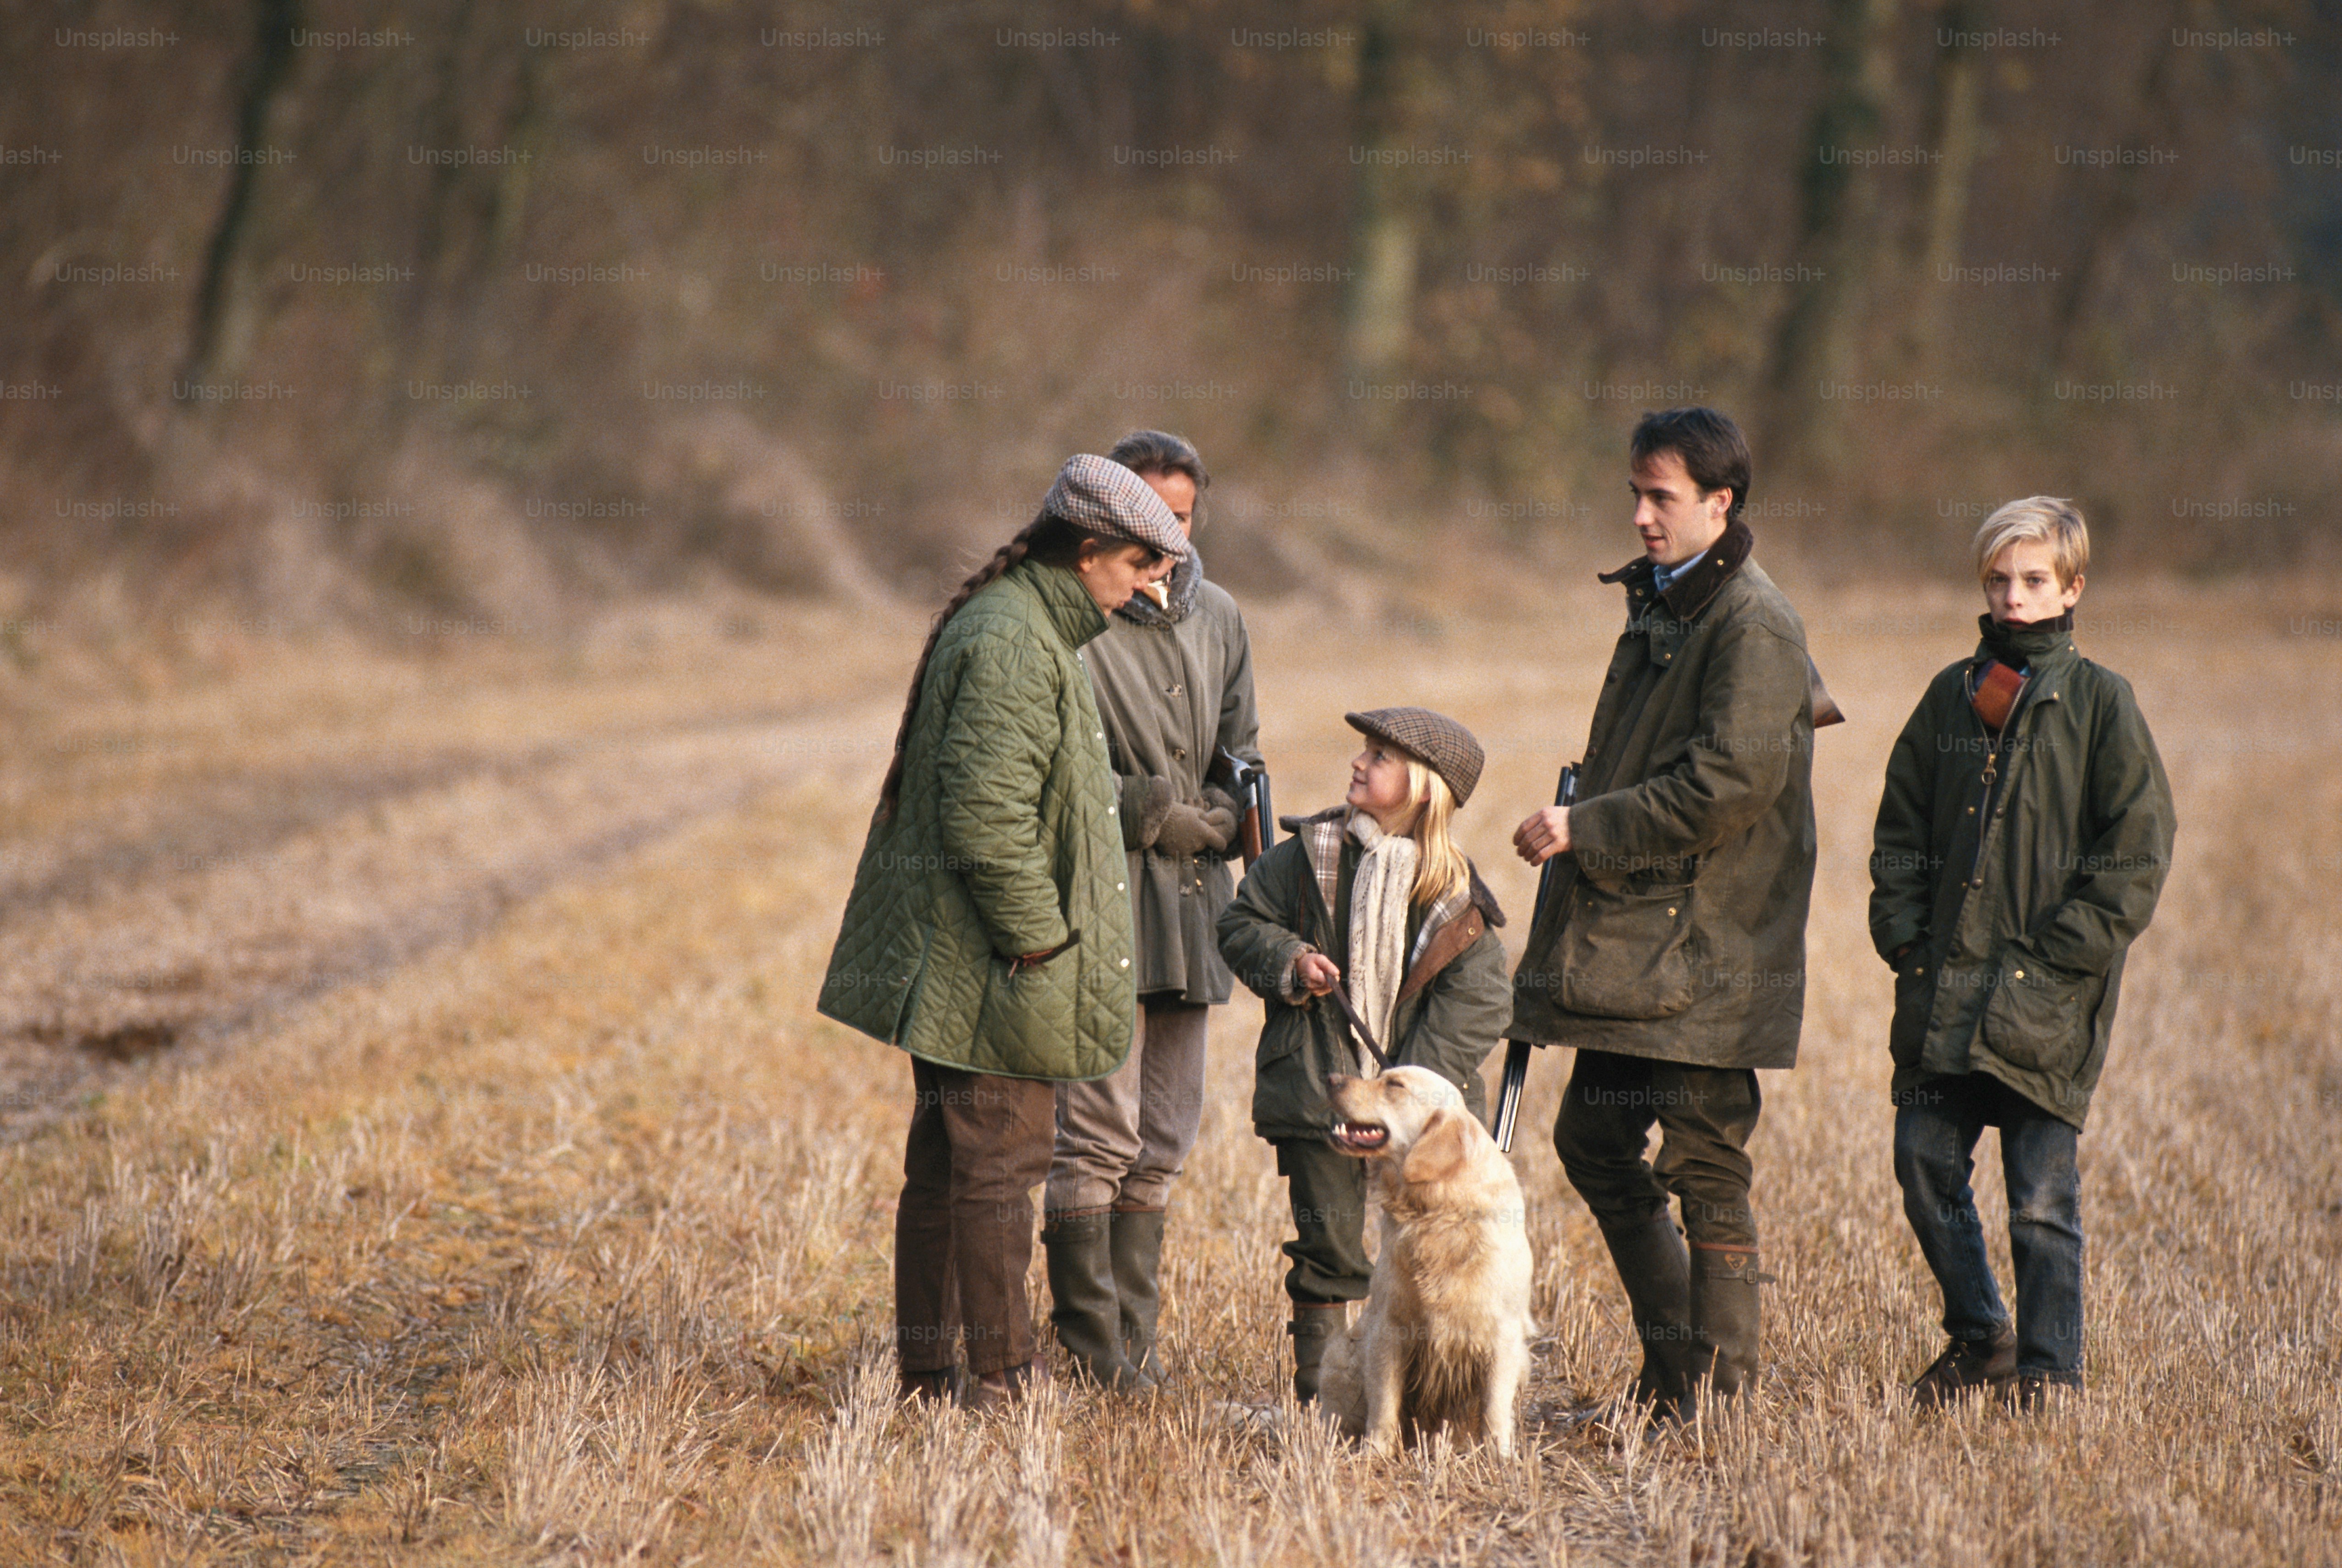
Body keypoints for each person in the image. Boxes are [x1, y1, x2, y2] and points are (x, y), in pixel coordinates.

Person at [816, 454, 1187, 1410]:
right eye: (1146, 561)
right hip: (988, 961)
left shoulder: (1024, 627)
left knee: (948, 1169)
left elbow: (1027, 789)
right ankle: (1004, 1376)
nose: (1156, 582)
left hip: (965, 954)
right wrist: (1039, 945)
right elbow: (988, 820)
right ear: (1090, 548)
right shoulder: (1018, 641)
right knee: (999, 1170)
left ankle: (930, 1375)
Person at [1508, 406, 1821, 1422]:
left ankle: (1715, 1396)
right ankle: (1678, 1366)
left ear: (1719, 503)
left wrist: (1583, 826)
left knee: (1704, 1162)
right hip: (1641, 947)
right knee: (1594, 1144)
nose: (1640, 516)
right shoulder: (1670, 603)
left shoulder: (1751, 622)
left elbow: (1725, 786)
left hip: (1711, 946)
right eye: (1636, 494)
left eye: (1662, 498)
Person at [1869, 497, 2173, 1412]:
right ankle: (1979, 1339)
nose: (2013, 597)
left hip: (2046, 1002)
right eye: (1999, 580)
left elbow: (2137, 853)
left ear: (2071, 588)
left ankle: (2049, 1376)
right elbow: (1899, 829)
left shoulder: (2101, 703)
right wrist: (1904, 933)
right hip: (1941, 992)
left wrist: (2055, 960)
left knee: (2041, 1203)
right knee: (1923, 1164)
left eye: (2033, 580)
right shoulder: (1948, 696)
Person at [1042, 431, 1262, 1390]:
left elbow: (1242, 751)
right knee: (1094, 1134)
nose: (1166, 538)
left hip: (1195, 907)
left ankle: (1140, 1348)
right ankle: (1092, 1355)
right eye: (1148, 520)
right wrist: (1149, 811)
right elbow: (1048, 765)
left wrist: (1225, 816)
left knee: (1165, 1138)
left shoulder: (1221, 617)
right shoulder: (1076, 617)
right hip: (1101, 903)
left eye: (1180, 518)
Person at [1217, 707, 1510, 1403]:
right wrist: (1290, 958)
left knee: (1432, 1257)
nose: (1359, 762)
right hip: (1321, 1089)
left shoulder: (1456, 893)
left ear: (1423, 788)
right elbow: (1240, 923)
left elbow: (1483, 998)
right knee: (1329, 1253)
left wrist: (1403, 1093)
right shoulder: (1307, 855)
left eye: (1379, 756)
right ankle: (1326, 1403)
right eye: (1363, 750)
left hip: (1420, 1126)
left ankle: (1436, 1399)